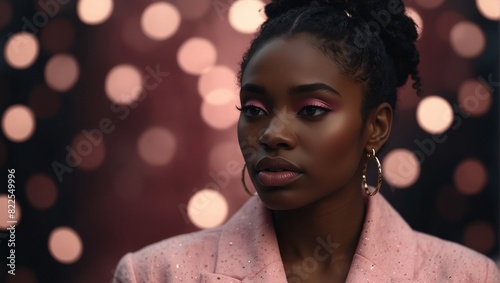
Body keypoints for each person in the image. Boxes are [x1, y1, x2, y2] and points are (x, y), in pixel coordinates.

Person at [113, 0, 500, 282]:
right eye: (253, 108)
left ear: (376, 126)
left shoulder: (465, 276)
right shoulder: (154, 273)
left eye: (311, 109)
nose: (271, 134)